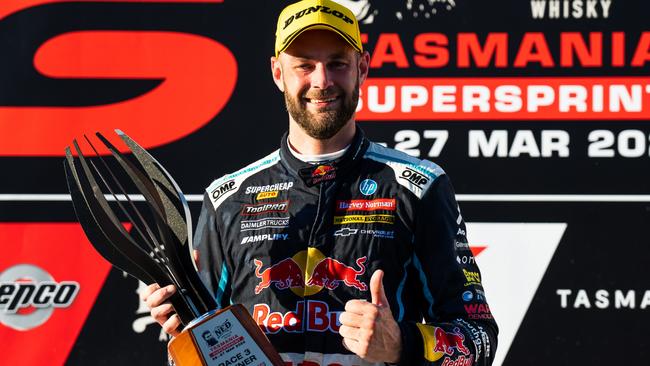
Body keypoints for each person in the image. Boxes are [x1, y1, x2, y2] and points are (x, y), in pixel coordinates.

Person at [142, 0, 498, 365]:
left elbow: (480, 342)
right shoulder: (228, 198)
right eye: (304, 65)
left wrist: (401, 343)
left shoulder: (417, 187)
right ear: (278, 73)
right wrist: (184, 334)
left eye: (337, 64)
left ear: (362, 68)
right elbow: (197, 350)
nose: (322, 81)